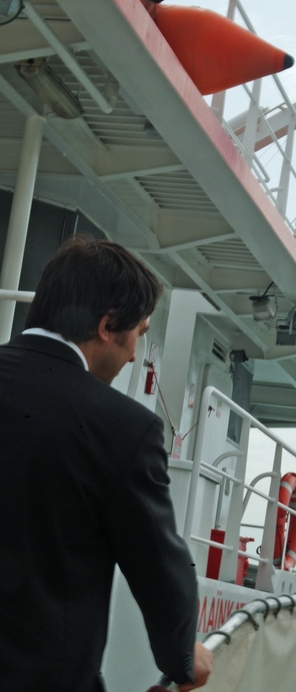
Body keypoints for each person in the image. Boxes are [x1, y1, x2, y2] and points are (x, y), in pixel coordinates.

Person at [0, 235, 212, 692]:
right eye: (138, 333)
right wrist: (182, 660)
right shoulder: (122, 428)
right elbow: (158, 565)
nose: (135, 352)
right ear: (108, 325)